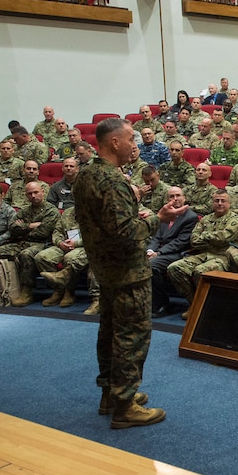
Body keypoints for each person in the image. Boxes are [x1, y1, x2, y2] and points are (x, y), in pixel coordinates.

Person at [72, 118, 167, 429]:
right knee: (131, 337)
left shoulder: (86, 175)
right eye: (130, 139)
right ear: (114, 142)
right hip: (128, 273)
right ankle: (125, 404)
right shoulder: (112, 181)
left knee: (109, 332)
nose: (134, 145)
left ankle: (110, 394)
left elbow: (106, 223)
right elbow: (126, 234)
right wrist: (157, 217)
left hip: (105, 269)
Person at [167, 189, 238, 319]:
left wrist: (205, 237)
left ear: (229, 203)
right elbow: (194, 240)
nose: (219, 203)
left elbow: (224, 238)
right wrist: (212, 240)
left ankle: (207, 307)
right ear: (212, 203)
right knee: (175, 268)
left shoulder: (235, 220)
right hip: (203, 254)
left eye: (223, 201)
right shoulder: (206, 219)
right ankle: (194, 304)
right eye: (216, 201)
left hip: (224, 257)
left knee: (200, 271)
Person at [0, 181, 60, 307]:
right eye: (30, 194)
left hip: (41, 245)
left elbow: (43, 233)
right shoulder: (25, 210)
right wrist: (30, 226)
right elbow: (12, 228)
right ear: (26, 196)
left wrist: (23, 228)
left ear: (43, 192)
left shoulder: (51, 211)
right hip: (21, 242)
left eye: (36, 192)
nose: (33, 196)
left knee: (26, 255)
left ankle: (27, 291)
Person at [147, 186, 198, 317]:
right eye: (171, 196)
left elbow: (181, 242)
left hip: (177, 253)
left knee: (152, 266)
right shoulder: (165, 214)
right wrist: (150, 250)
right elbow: (156, 236)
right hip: (158, 252)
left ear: (184, 198)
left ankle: (161, 304)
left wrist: (158, 253)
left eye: (178, 196)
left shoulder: (190, 217)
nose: (175, 199)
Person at [36, 206, 94, 309]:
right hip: (65, 245)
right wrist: (60, 243)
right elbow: (57, 231)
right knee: (41, 257)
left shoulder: (95, 212)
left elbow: (96, 235)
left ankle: (69, 292)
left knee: (70, 258)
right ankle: (59, 290)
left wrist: (76, 243)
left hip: (85, 245)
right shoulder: (67, 212)